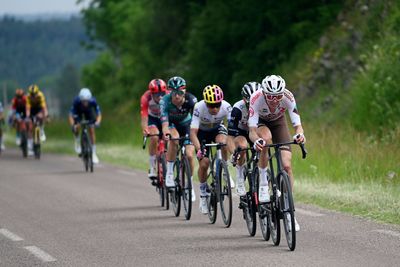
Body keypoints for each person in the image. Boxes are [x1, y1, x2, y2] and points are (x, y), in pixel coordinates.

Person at [248, 75, 306, 231]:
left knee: (287, 165)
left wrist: (299, 135)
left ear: (282, 93)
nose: (274, 100)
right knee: (265, 138)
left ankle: (289, 210)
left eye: (277, 97)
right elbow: (252, 132)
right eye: (271, 97)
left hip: (279, 122)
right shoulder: (256, 98)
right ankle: (263, 182)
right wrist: (256, 141)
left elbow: (298, 126)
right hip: (261, 123)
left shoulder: (288, 96)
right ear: (264, 93)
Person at [190, 85, 233, 214]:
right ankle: (203, 194)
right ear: (205, 103)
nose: (214, 108)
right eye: (210, 105)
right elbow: (192, 133)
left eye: (217, 104)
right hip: (201, 133)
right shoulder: (198, 107)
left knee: (223, 142)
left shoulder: (226, 107)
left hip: (216, 129)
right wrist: (199, 149)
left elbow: (231, 131)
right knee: (204, 163)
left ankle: (224, 170)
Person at [161, 76, 197, 201]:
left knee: (190, 155)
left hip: (187, 125)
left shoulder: (192, 100)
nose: (177, 96)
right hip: (172, 125)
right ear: (169, 92)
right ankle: (170, 173)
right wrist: (166, 132)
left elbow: (196, 122)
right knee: (174, 139)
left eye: (180, 93)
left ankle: (190, 184)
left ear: (185, 91)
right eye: (173, 93)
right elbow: (164, 123)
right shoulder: (164, 101)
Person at [227, 82, 262, 196]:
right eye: (249, 100)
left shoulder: (263, 105)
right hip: (241, 132)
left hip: (255, 132)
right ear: (244, 99)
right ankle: (240, 176)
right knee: (242, 147)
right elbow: (230, 136)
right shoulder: (237, 108)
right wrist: (234, 153)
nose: (252, 103)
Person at [140, 79, 168, 182]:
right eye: (157, 94)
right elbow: (144, 118)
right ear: (151, 94)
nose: (160, 97)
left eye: (162, 93)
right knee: (154, 136)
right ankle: (152, 166)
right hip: (152, 119)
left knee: (168, 137)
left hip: (166, 118)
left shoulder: (169, 95)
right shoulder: (145, 98)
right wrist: (145, 129)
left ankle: (166, 162)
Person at [69, 88, 102, 164]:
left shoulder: (93, 101)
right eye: (83, 101)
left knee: (91, 129)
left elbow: (99, 114)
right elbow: (70, 115)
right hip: (78, 112)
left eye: (87, 101)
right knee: (77, 126)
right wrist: (73, 125)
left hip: (88, 112)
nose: (85, 102)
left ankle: (93, 153)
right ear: (80, 99)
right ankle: (77, 141)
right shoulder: (76, 101)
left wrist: (98, 122)